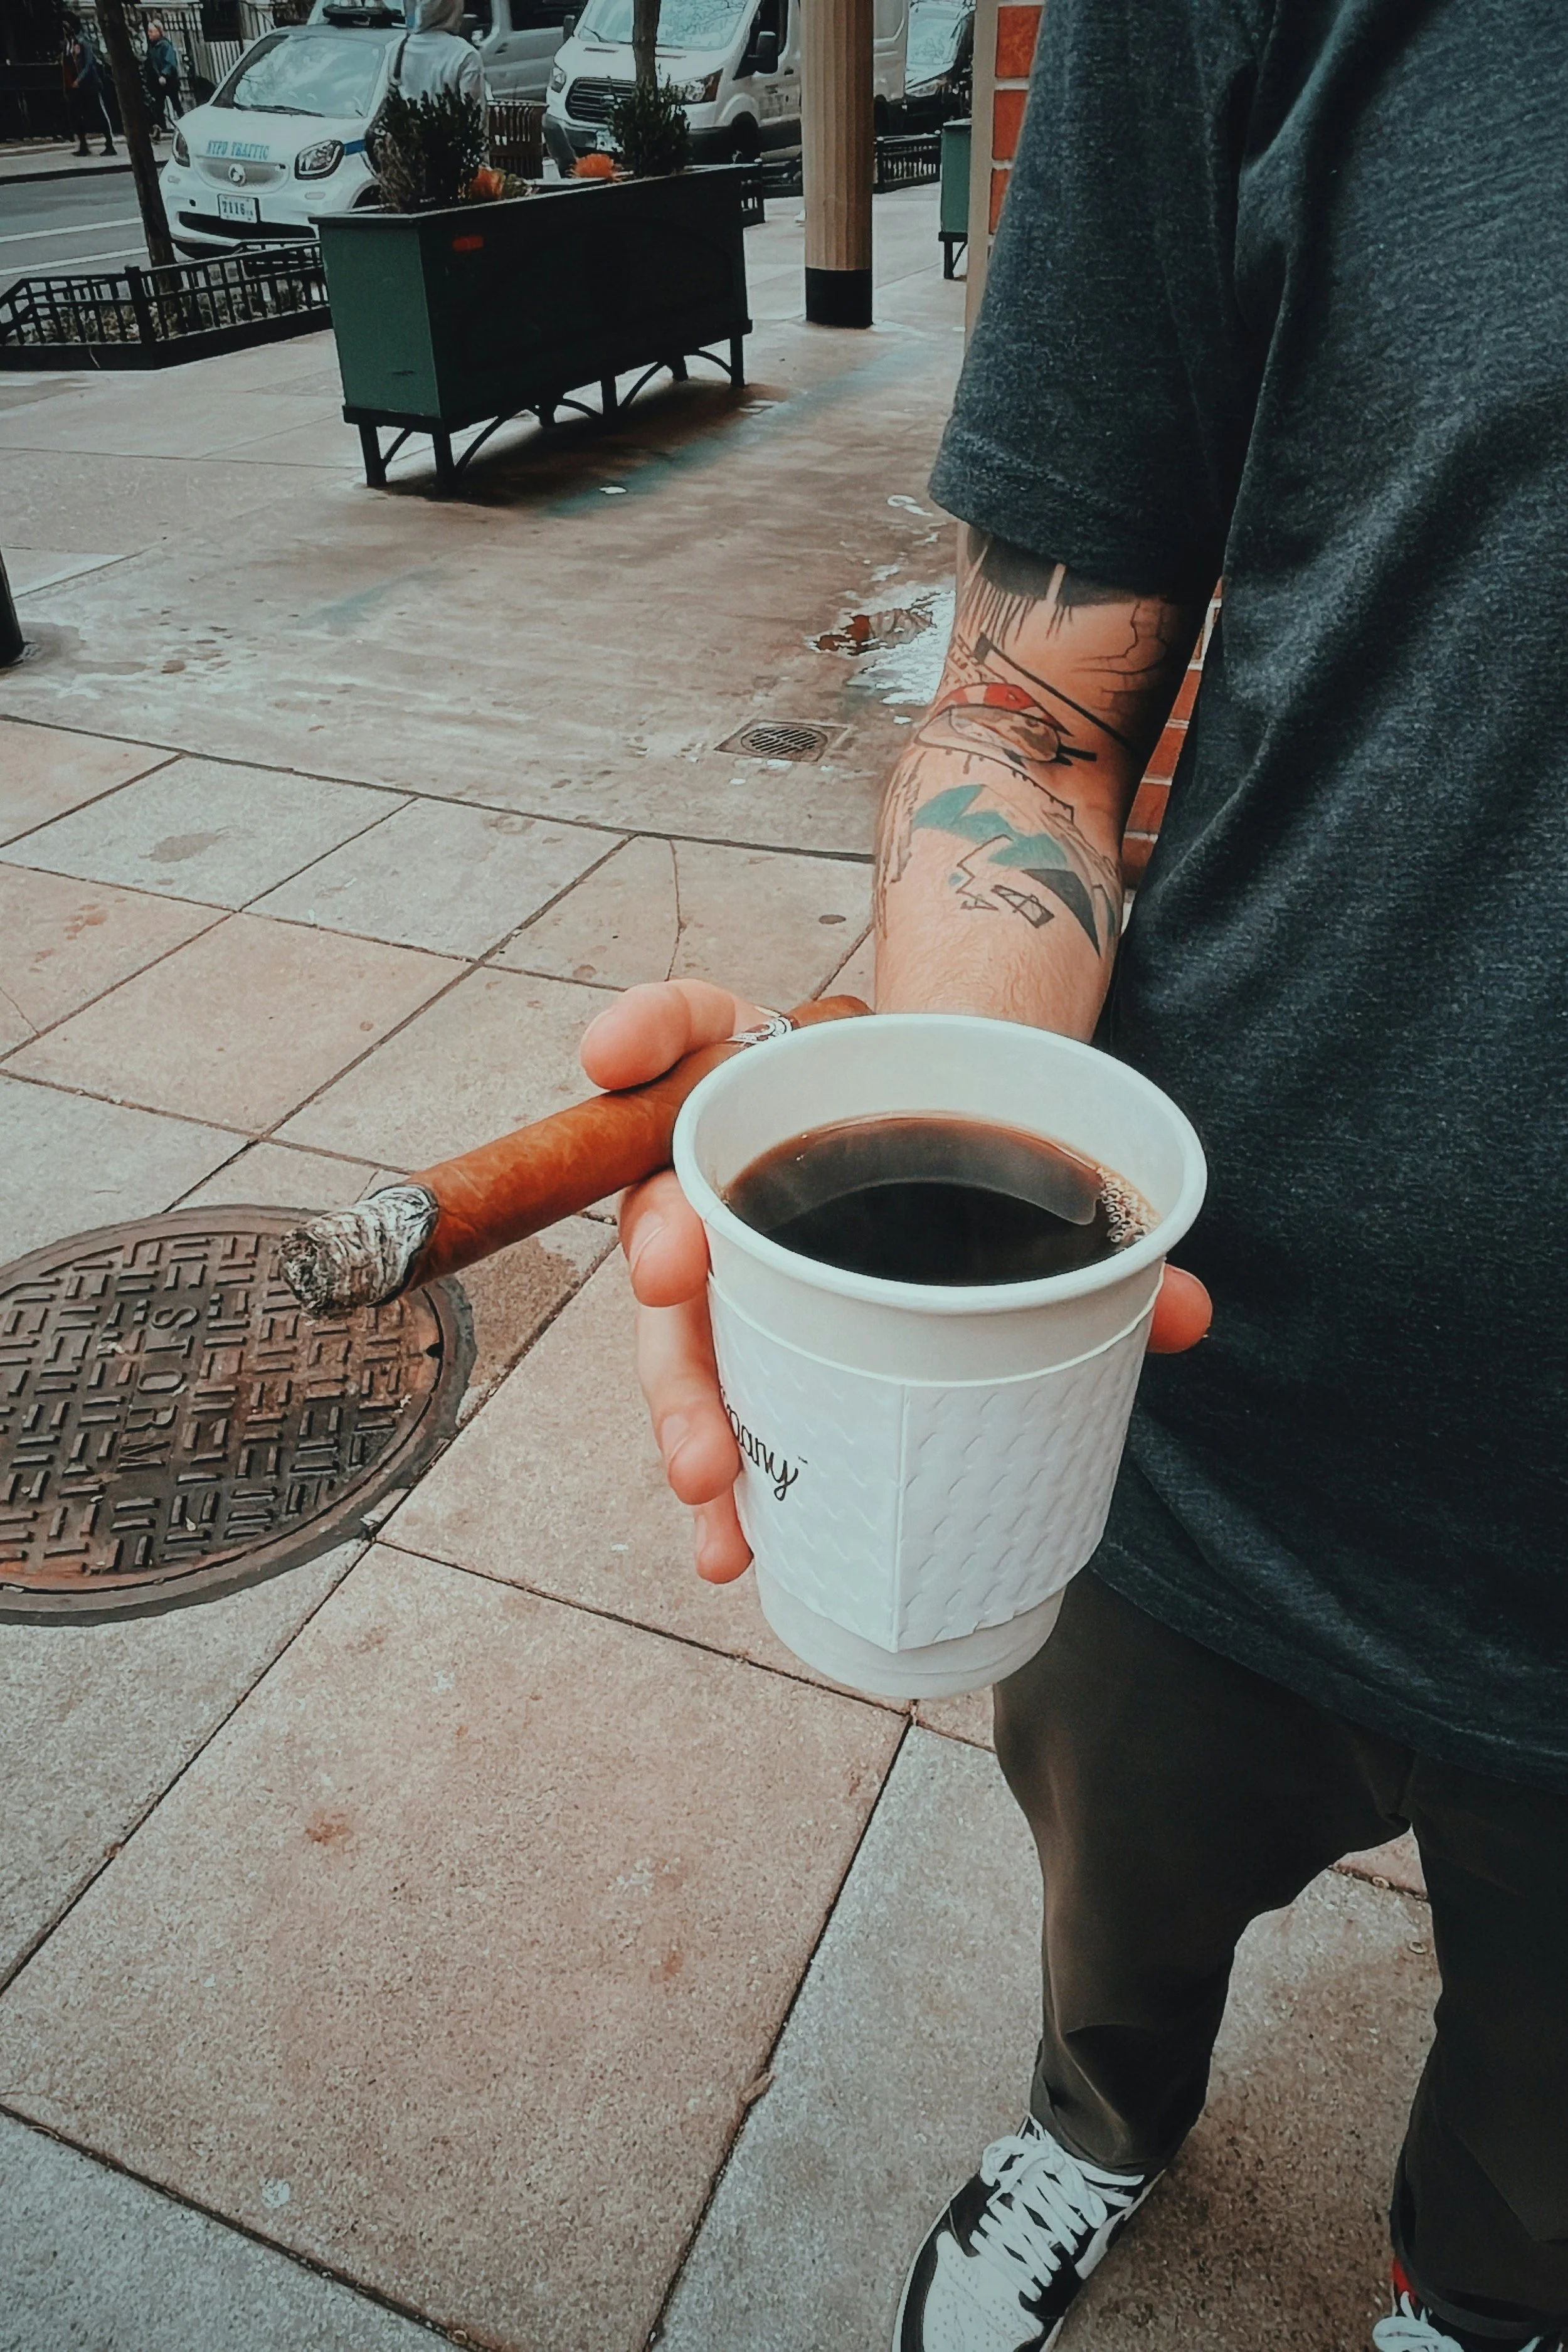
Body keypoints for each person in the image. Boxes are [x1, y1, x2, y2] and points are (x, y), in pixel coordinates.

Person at [578, 1, 1568, 2348]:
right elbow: (1032, 702)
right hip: (1208, 1404)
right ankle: (1093, 2127)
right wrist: (918, 1189)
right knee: (1110, 1924)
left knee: (1547, 2141)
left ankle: (1474, 2290)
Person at [389, 0, 485, 108]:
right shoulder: (467, 56)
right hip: (448, 124)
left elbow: (383, 105)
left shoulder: (397, 49)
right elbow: (474, 115)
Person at [62, 13, 115, 159]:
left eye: (67, 26)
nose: (65, 29)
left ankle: (110, 144)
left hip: (89, 85)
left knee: (99, 113)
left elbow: (89, 64)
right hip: (76, 88)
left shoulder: (83, 42)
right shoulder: (69, 44)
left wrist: (79, 80)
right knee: (77, 116)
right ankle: (83, 145)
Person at [142, 18, 182, 137]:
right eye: (149, 31)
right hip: (157, 82)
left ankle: (183, 123)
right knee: (158, 106)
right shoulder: (152, 47)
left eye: (152, 31)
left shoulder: (165, 45)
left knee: (176, 104)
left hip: (169, 81)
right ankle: (159, 128)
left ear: (159, 32)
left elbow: (170, 63)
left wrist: (164, 75)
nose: (150, 34)